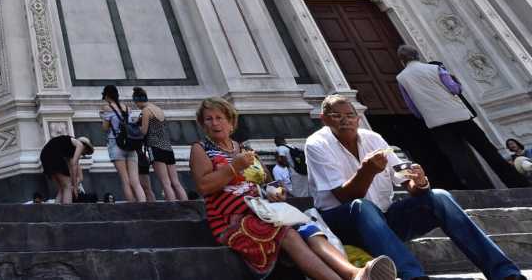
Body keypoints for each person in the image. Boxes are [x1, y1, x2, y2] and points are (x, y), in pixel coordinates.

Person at [305, 94, 525, 280]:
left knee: (439, 196)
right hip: (343, 225)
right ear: (324, 119)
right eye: (336, 116)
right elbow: (344, 196)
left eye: (350, 115)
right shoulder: (317, 144)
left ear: (358, 118)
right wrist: (367, 171)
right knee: (362, 206)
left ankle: (504, 273)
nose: (345, 121)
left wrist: (419, 182)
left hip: (382, 222)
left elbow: (406, 180)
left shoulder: (373, 139)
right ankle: (413, 276)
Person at [191, 97, 396, 280]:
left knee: (310, 229)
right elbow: (204, 186)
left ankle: (354, 273)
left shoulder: (244, 150)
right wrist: (233, 168)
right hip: (232, 218)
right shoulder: (201, 149)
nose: (214, 123)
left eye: (219, 118)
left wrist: (276, 191)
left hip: (264, 210)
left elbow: (268, 182)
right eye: (208, 119)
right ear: (202, 124)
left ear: (230, 122)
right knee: (287, 233)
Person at [394, 45, 527, 190]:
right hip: (459, 116)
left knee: (458, 159)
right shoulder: (435, 69)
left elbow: (412, 107)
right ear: (417, 55)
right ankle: (517, 184)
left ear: (402, 60)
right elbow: (454, 89)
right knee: (488, 151)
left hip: (436, 123)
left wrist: (427, 114)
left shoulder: (401, 78)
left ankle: (478, 191)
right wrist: (455, 82)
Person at [134, 88, 187, 201]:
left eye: (136, 103)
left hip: (155, 147)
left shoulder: (146, 111)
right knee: (176, 182)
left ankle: (172, 207)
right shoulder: (158, 109)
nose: (137, 106)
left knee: (165, 183)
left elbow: (144, 131)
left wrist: (136, 127)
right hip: (167, 148)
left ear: (138, 100)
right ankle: (186, 205)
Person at [101, 85, 147, 203]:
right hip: (131, 144)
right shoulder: (127, 108)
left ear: (107, 96)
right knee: (135, 181)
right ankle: (143, 206)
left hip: (116, 144)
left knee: (125, 180)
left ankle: (132, 208)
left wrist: (103, 118)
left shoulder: (108, 108)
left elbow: (105, 128)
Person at [39, 134, 93, 205]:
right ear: (85, 147)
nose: (82, 155)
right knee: (67, 186)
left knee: (62, 188)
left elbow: (71, 168)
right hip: (53, 155)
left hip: (45, 156)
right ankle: (67, 209)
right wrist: (75, 187)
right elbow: (74, 165)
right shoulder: (80, 145)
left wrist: (73, 182)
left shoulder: (69, 148)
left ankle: (55, 209)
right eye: (85, 153)